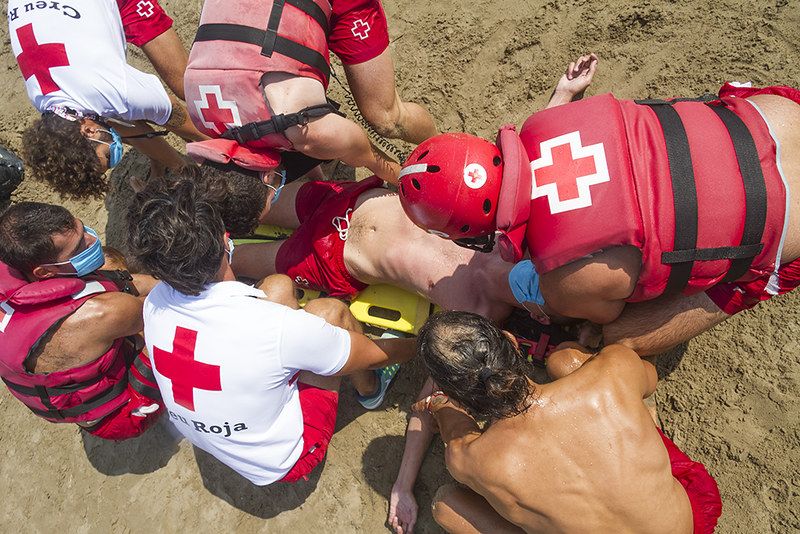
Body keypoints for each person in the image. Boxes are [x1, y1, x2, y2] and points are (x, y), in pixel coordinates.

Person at [397, 76, 800, 356]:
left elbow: (612, 311)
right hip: (780, 112)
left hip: (786, 229)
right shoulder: (546, 121)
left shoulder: (562, 280)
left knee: (621, 338)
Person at [128, 179, 417, 485]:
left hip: (223, 435)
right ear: (226, 240)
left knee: (277, 285)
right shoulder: (272, 328)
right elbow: (370, 354)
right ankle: (372, 389)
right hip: (283, 460)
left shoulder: (155, 303)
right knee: (331, 313)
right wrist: (421, 344)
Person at [391, 310, 722, 534]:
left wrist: (439, 402)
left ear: (458, 394)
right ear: (510, 341)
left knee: (446, 504)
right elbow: (649, 379)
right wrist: (586, 363)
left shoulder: (469, 459)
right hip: (688, 521)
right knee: (570, 363)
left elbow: (454, 427)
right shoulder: (614, 371)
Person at [182, 0, 437, 189]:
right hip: (271, 25)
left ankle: (443, 149)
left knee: (386, 117)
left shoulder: (308, 130)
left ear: (269, 178)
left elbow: (369, 157)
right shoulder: (201, 116)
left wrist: (407, 183)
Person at [10, 0, 208, 198]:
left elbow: (171, 112)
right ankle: (169, 163)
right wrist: (178, 166)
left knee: (187, 89)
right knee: (111, 122)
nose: (115, 156)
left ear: (88, 130)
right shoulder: (47, 104)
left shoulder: (115, 91)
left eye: (109, 156)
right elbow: (116, 123)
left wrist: (213, 150)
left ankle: (186, 167)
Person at [0, 202, 163, 440]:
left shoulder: (14, 267)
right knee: (171, 331)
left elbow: (125, 282)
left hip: (72, 393)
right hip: (122, 415)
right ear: (44, 273)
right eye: (79, 247)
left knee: (108, 260)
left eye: (82, 229)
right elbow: (164, 309)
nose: (91, 239)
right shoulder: (102, 313)